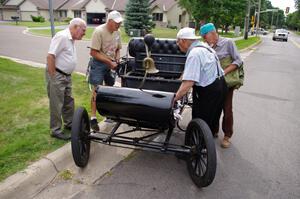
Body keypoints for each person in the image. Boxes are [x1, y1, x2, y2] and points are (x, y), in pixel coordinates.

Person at [174, 27, 227, 137]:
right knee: (212, 118)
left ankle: (195, 148)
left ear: (183, 40)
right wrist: (178, 81)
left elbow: (189, 83)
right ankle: (207, 143)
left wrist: (174, 99)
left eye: (178, 42)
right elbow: (192, 71)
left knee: (200, 120)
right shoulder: (205, 47)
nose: (177, 45)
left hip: (209, 90)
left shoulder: (194, 53)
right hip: (221, 85)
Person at [200, 23, 243, 148]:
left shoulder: (228, 42)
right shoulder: (206, 46)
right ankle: (213, 130)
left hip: (226, 81)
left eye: (205, 37)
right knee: (213, 107)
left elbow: (238, 60)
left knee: (227, 108)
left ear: (213, 33)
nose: (204, 40)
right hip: (211, 82)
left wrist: (223, 72)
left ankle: (227, 135)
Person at [46, 18, 87, 140]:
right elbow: (50, 56)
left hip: (66, 76)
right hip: (57, 75)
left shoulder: (71, 39)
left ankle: (69, 124)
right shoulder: (62, 37)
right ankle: (55, 130)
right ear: (75, 27)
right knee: (56, 103)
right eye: (83, 31)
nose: (84, 34)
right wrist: (53, 77)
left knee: (68, 101)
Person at [89, 10, 123, 131]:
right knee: (96, 90)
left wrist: (117, 59)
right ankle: (93, 118)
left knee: (109, 88)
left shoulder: (117, 32)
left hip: (111, 63)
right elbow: (93, 52)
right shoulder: (99, 31)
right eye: (116, 23)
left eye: (120, 23)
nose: (119, 25)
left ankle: (108, 115)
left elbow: (118, 49)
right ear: (109, 21)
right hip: (99, 63)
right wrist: (109, 62)